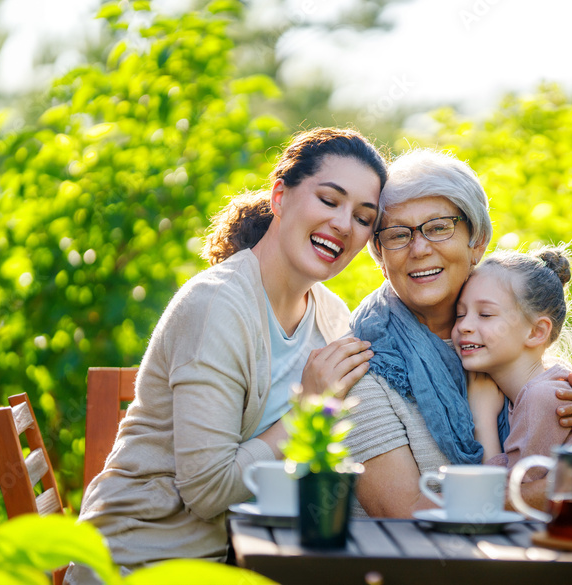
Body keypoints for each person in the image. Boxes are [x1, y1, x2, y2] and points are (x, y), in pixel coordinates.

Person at [66, 128, 387, 583]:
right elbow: (208, 489)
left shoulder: (331, 317)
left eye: (363, 217)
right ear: (280, 196)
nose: (343, 224)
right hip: (145, 561)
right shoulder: (217, 306)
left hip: (244, 558)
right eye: (330, 200)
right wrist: (308, 410)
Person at [345, 150, 572, 518]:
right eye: (398, 235)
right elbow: (406, 513)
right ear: (379, 255)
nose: (420, 248)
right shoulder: (363, 365)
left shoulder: (501, 345)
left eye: (439, 226)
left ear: (477, 240)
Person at [453, 247, 572, 483]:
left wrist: (483, 418)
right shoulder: (537, 389)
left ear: (536, 331)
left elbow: (509, 498)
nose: (464, 326)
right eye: (460, 314)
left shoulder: (543, 397)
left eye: (485, 314)